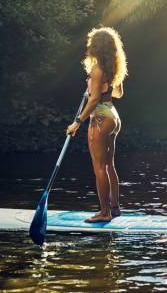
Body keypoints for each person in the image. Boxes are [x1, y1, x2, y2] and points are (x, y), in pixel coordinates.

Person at [66, 26, 127, 222]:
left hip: (100, 118)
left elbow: (93, 101)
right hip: (113, 117)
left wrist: (77, 122)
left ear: (96, 47)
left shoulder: (97, 69)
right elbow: (118, 93)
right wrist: (97, 86)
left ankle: (104, 212)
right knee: (109, 165)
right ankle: (115, 208)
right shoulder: (113, 69)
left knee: (99, 167)